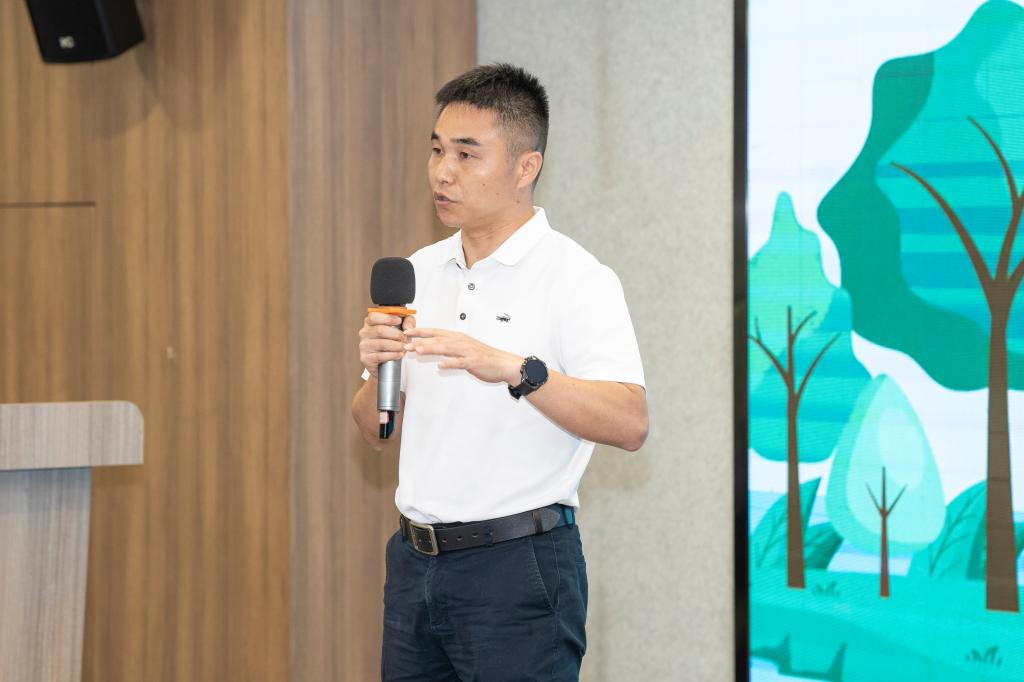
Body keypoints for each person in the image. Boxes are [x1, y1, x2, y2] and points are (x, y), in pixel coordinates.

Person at [351, 63, 647, 681]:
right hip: (414, 563)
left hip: (518, 569)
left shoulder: (577, 278)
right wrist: (378, 367)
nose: (442, 171)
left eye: (466, 154)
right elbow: (375, 430)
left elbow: (629, 422)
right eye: (436, 150)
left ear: (525, 167)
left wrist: (514, 368)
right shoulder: (417, 272)